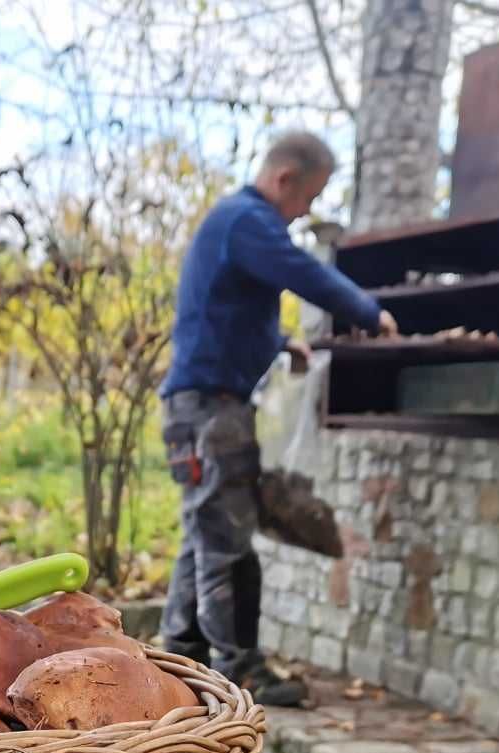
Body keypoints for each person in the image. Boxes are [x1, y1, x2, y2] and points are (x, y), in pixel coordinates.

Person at [159, 131, 397, 707]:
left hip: (197, 408)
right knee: (229, 542)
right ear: (284, 179)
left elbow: (227, 308)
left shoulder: (233, 224)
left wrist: (281, 343)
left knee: (205, 537)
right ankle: (242, 671)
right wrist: (369, 312)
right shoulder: (248, 220)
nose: (308, 211)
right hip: (210, 412)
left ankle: (178, 660)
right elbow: (300, 271)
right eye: (309, 197)